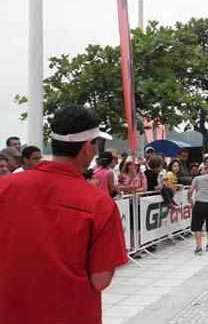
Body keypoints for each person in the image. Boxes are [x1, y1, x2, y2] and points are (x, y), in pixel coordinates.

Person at [0, 104, 127, 323]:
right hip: (72, 314)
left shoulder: (5, 187)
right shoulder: (99, 204)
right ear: (87, 146)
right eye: (96, 143)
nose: (97, 150)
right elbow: (101, 280)